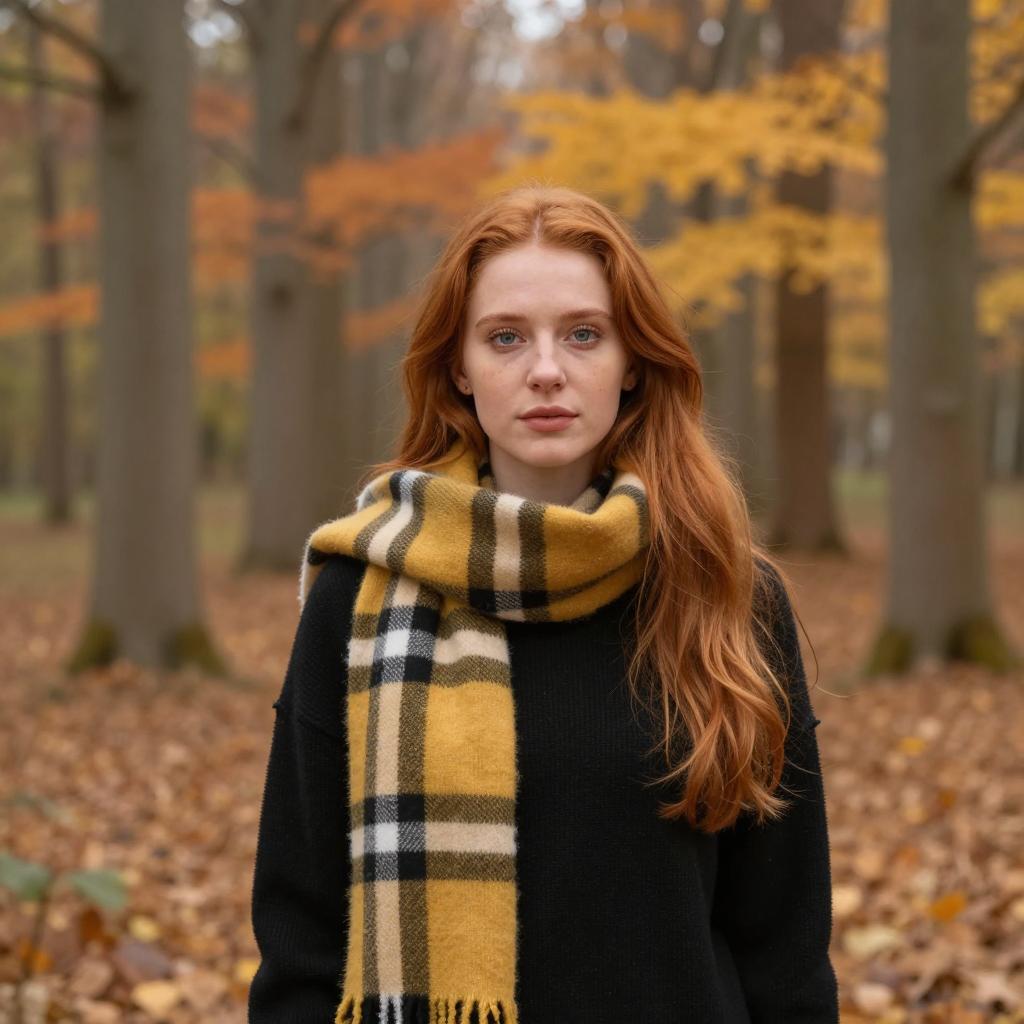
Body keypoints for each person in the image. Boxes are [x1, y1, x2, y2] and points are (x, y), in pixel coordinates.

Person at [248, 185, 839, 1024]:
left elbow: (785, 952)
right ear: (458, 365)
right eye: (505, 338)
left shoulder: (724, 592)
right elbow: (300, 937)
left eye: (584, 334)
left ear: (632, 361)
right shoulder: (361, 590)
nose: (547, 369)